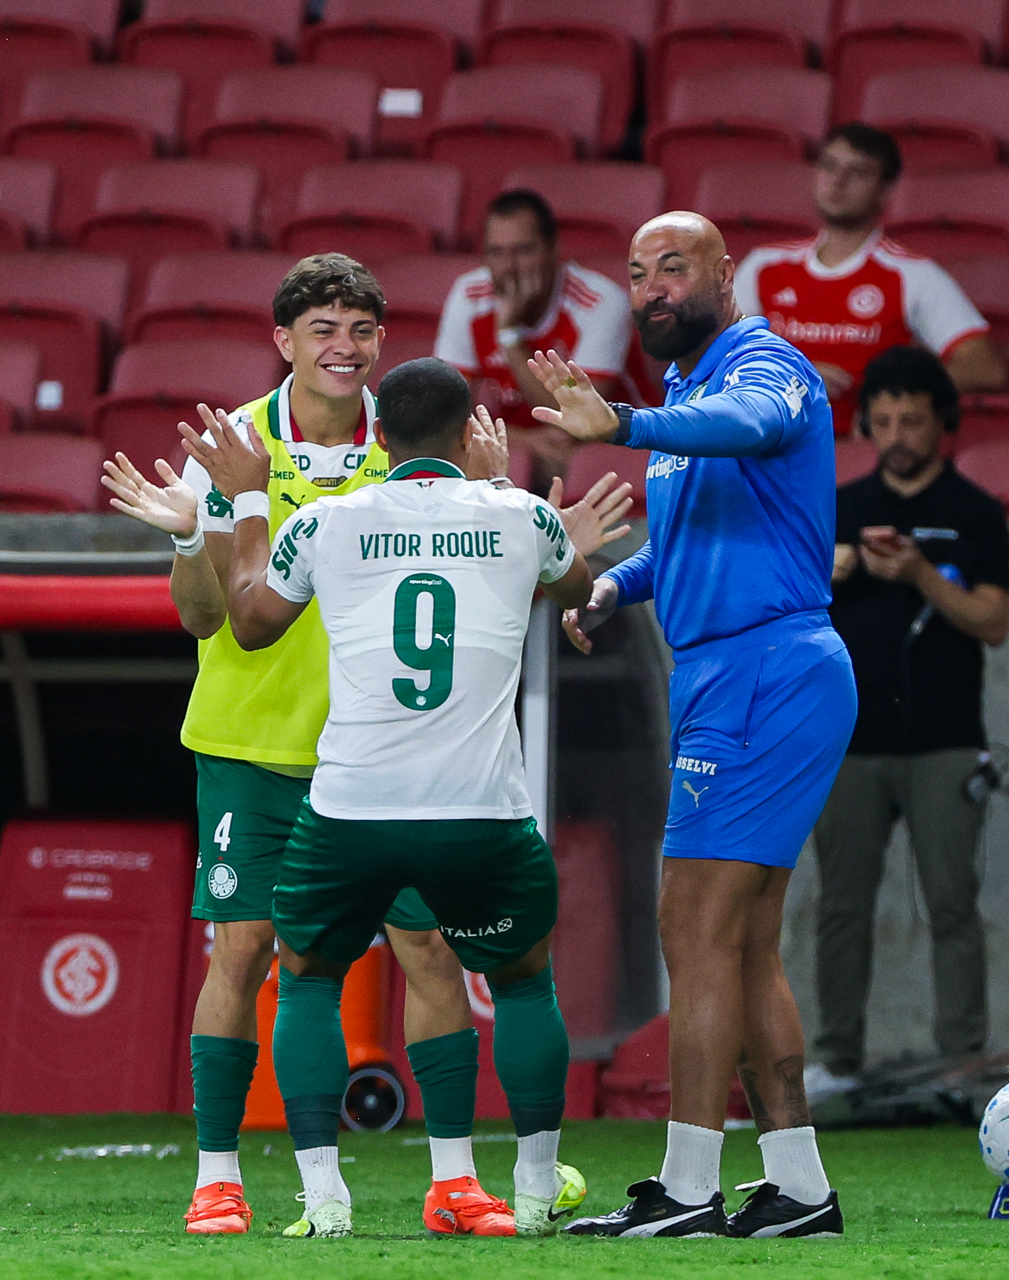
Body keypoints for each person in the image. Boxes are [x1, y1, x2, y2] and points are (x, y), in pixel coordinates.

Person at [182, 356, 633, 1237]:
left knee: (307, 981)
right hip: (480, 809)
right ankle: (531, 1194)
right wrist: (517, 502)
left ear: (378, 437)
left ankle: (325, 1202)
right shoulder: (520, 515)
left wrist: (244, 503)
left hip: (351, 808)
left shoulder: (328, 522)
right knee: (523, 980)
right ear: (468, 434)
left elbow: (247, 622)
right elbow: (570, 586)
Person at [101, 254, 492, 1237]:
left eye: (360, 330)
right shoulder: (228, 447)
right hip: (248, 748)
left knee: (428, 946)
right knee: (242, 952)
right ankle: (218, 1175)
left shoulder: (406, 447)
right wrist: (195, 532)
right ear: (283, 341)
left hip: (383, 752)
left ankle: (455, 1179)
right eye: (323, 328)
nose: (344, 348)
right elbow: (201, 620)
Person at [527, 212, 857, 1240]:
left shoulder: (767, 364)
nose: (653, 287)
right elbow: (688, 541)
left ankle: (687, 1186)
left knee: (693, 927)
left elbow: (753, 426)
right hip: (733, 670)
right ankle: (798, 1187)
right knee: (745, 940)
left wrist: (617, 424)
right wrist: (612, 588)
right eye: (636, 273)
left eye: (674, 266)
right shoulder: (684, 394)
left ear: (724, 272)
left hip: (766, 667)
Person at [808, 346, 1009, 1098]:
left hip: (948, 740)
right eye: (884, 418)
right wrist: (833, 569)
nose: (896, 433)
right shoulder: (842, 507)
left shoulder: (974, 513)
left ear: (942, 426)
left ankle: (962, 1062)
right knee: (841, 904)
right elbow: (796, 600)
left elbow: (993, 621)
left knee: (953, 901)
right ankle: (836, 1061)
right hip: (851, 738)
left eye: (912, 420)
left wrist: (920, 573)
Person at [734, 122, 1006, 436]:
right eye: (829, 166)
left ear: (886, 191)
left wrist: (886, 393)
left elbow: (984, 366)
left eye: (858, 172)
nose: (838, 181)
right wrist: (796, 374)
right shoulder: (764, 265)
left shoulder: (911, 273)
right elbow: (713, 358)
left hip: (859, 454)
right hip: (767, 449)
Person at [434, 188, 634, 489]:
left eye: (523, 250)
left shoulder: (599, 302)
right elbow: (445, 416)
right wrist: (525, 441)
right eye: (497, 253)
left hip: (610, 445)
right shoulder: (469, 296)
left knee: (561, 465)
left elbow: (582, 421)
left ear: (554, 248)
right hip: (528, 443)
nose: (510, 267)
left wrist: (510, 336)